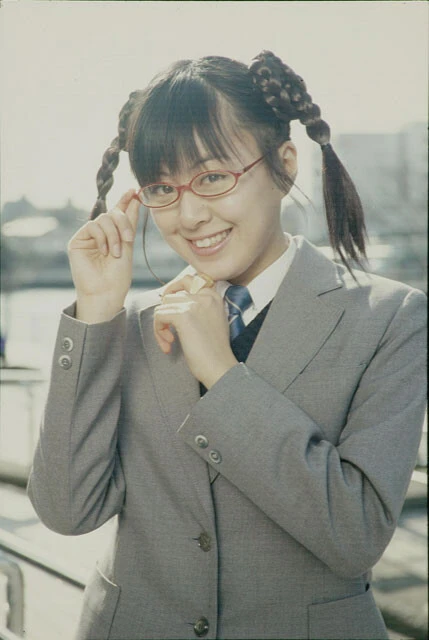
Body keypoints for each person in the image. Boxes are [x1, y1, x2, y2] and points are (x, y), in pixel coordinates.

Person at [27, 51, 426, 640]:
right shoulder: (127, 323)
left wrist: (221, 371)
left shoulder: (390, 318)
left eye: (213, 177)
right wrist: (96, 312)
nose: (189, 215)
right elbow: (67, 511)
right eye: (162, 188)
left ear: (285, 165)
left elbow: (356, 535)